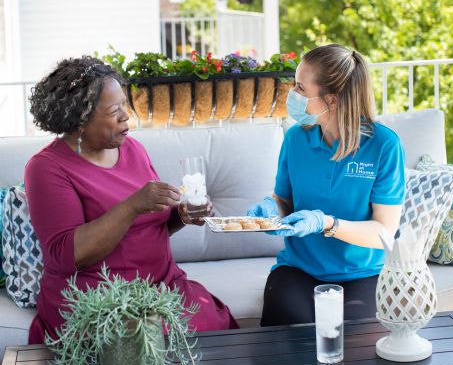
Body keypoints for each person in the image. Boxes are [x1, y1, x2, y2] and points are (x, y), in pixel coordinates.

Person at [25, 56, 238, 343]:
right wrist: (132, 205)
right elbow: (67, 255)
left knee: (212, 326)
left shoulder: (133, 148)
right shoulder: (46, 167)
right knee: (146, 342)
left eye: (124, 105)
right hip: (98, 297)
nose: (126, 116)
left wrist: (180, 216)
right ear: (79, 121)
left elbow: (147, 226)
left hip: (160, 286)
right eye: (114, 110)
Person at [247, 44, 405, 326]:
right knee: (289, 334)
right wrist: (271, 209)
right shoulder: (296, 138)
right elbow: (284, 200)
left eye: (300, 88)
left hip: (365, 273)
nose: (292, 95)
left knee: (357, 346)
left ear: (331, 100)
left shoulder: (384, 146)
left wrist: (326, 223)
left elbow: (384, 231)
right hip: (299, 270)